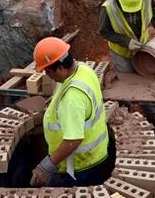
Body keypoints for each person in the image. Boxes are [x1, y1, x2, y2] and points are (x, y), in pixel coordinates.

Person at [30, 37, 109, 187]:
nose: (47, 75)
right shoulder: (84, 70)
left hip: (79, 165)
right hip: (96, 154)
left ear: (60, 68)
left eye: (48, 70)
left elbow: (73, 140)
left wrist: (47, 166)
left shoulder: (72, 99)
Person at [99, 0, 155, 125]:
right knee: (127, 83)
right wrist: (127, 42)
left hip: (143, 47)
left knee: (145, 79)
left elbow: (154, 9)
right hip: (121, 53)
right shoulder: (109, 8)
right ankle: (125, 117)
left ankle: (152, 113)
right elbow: (104, 31)